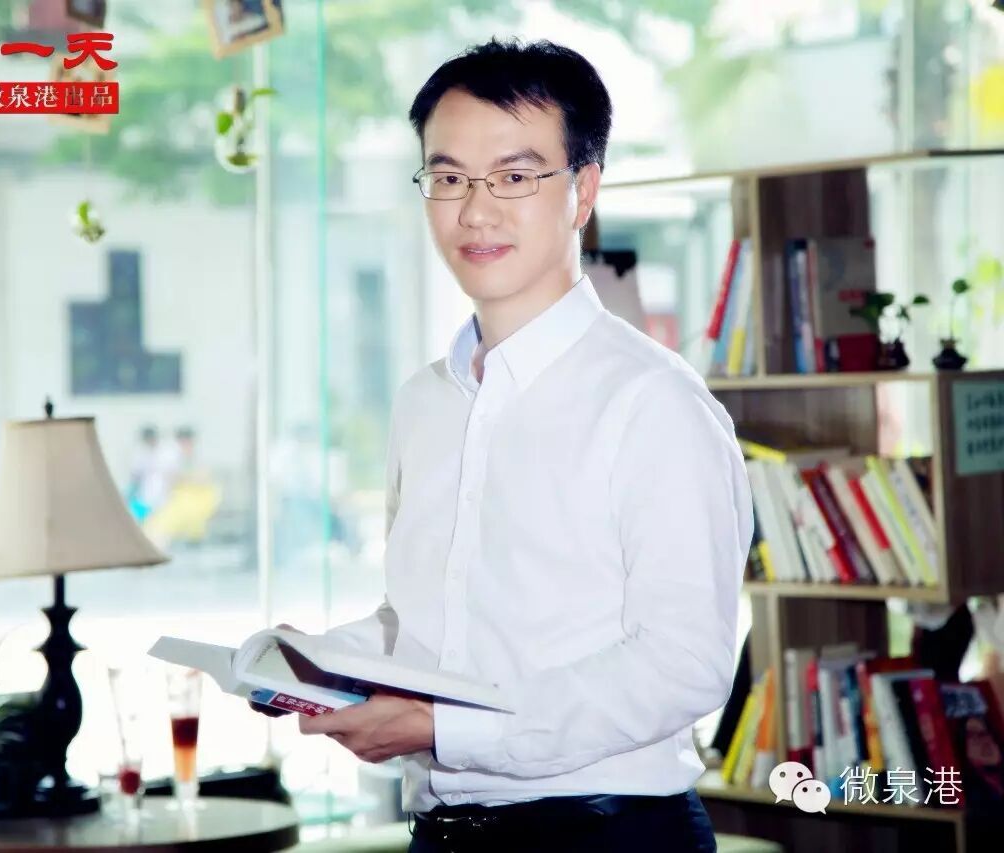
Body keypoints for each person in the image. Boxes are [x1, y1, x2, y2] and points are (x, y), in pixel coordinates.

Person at [252, 38, 753, 852]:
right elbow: (424, 623)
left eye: (514, 177)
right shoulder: (424, 402)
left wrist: (447, 728)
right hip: (442, 836)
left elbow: (683, 663)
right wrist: (312, 661)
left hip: (607, 836)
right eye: (448, 178)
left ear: (583, 190)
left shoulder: (655, 403)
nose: (475, 211)